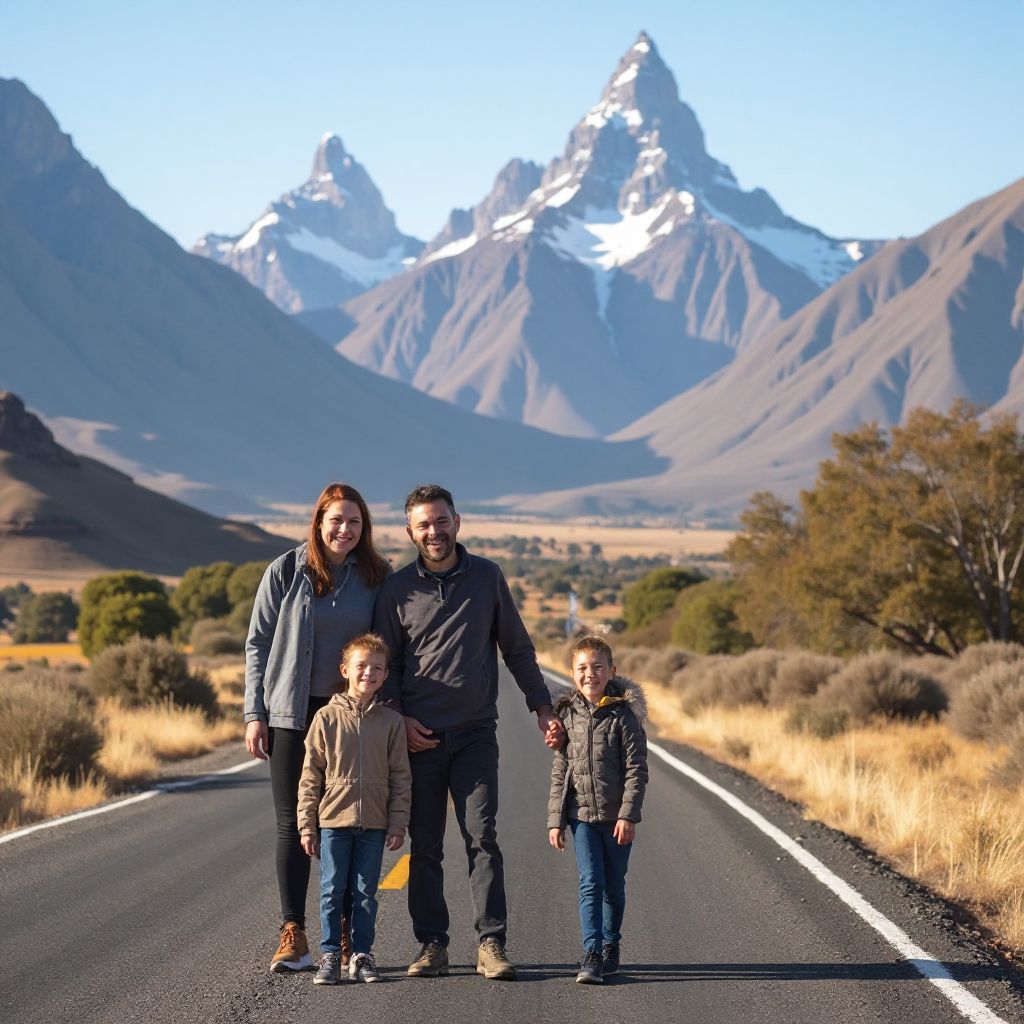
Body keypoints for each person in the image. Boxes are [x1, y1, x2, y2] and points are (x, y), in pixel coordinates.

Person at [372, 483, 562, 981]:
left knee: (482, 837)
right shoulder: (396, 590)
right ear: (410, 532)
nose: (433, 532)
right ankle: (432, 944)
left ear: (458, 522)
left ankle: (491, 943)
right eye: (423, 525)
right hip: (419, 736)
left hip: (476, 730)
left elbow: (517, 648)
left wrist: (541, 706)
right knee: (426, 844)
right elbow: (385, 665)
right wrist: (398, 717)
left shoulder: (487, 577)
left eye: (441, 521)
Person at [244, 482, 391, 972]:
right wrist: (254, 713)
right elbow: (258, 644)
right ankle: (294, 932)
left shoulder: (376, 576)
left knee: (345, 823)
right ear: (319, 521)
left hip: (348, 720)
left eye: (354, 522)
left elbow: (390, 648)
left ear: (363, 527)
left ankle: (346, 933)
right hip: (288, 713)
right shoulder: (285, 572)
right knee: (294, 823)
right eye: (336, 520)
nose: (345, 530)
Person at [298, 633, 411, 985]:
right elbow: (310, 775)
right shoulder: (326, 719)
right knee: (333, 888)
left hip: (375, 823)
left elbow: (400, 776)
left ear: (386, 675)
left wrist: (397, 823)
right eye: (361, 666)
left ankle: (362, 955)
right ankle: (330, 954)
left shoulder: (391, 722)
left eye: (377, 668)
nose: (369, 673)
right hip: (334, 820)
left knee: (365, 891)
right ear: (345, 669)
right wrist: (307, 824)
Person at [547, 634, 648, 985]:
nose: (590, 673)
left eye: (597, 667)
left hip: (616, 819)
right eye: (582, 668)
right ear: (573, 673)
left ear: (611, 671)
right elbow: (561, 771)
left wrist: (628, 815)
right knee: (590, 883)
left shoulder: (625, 717)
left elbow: (637, 770)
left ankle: (611, 946)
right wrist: (555, 822)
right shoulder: (568, 717)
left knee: (613, 887)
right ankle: (591, 953)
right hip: (581, 818)